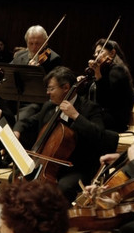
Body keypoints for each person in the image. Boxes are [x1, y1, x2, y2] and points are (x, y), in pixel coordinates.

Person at [13, 66, 110, 201]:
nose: (47, 93)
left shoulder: (89, 108)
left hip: (77, 167)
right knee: (19, 176)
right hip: (48, 165)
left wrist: (76, 116)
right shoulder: (50, 106)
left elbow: (100, 136)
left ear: (66, 87)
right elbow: (30, 121)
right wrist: (17, 130)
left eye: (51, 89)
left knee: (60, 189)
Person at [85, 39, 134, 132]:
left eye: (100, 52)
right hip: (104, 115)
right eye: (95, 53)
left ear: (112, 53)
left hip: (114, 119)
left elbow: (106, 99)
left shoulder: (118, 71)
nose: (96, 55)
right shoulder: (104, 70)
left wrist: (97, 73)